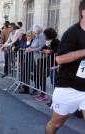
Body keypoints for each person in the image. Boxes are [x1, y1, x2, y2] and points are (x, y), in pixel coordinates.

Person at [46, 1, 85, 133]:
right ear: (83, 12)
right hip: (68, 87)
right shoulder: (72, 33)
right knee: (56, 124)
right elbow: (60, 59)